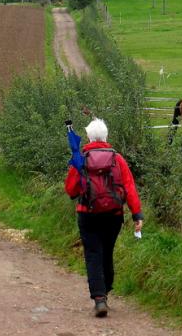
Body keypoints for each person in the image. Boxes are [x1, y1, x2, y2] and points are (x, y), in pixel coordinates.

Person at [64, 118, 144, 318]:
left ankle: (100, 299)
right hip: (113, 215)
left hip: (87, 214)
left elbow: (71, 189)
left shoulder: (81, 158)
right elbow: (130, 187)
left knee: (93, 254)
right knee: (107, 252)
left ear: (89, 137)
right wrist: (137, 214)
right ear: (106, 136)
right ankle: (106, 290)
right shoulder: (118, 160)